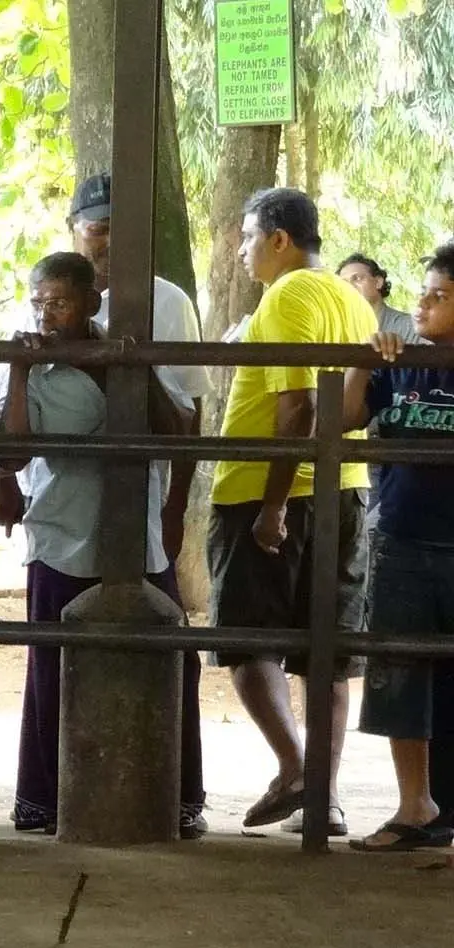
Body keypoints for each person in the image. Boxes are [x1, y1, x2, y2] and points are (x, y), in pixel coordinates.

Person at [0, 254, 206, 837]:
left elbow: (174, 431)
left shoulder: (123, 352)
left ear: (91, 304)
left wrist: (119, 366)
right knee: (52, 665)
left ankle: (178, 797)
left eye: (59, 303)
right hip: (62, 531)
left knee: (171, 660)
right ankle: (48, 798)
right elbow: (13, 454)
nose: (46, 315)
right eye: (38, 302)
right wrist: (19, 371)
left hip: (134, 537)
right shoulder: (33, 369)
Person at [211, 187, 374, 838]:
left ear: (280, 239)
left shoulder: (286, 296)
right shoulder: (350, 298)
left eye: (249, 236)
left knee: (247, 638)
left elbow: (296, 405)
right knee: (326, 648)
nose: (242, 249)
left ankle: (296, 768)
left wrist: (273, 505)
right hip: (347, 486)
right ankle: (323, 795)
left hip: (266, 488)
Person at [0, 172, 212, 569]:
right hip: (60, 518)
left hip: (139, 516)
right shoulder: (38, 303)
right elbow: (9, 410)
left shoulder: (168, 301)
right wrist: (2, 480)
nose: (111, 240)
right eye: (99, 228)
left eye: (124, 228)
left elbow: (187, 414)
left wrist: (175, 507)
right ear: (74, 228)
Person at [343, 247, 454, 851]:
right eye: (424, 293)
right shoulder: (401, 362)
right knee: (401, 673)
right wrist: (363, 360)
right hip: (404, 538)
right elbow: (341, 419)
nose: (423, 304)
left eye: (440, 296)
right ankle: (415, 805)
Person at [337, 253, 416, 340]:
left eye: (357, 278)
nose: (349, 286)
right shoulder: (337, 332)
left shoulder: (410, 327)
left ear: (378, 282)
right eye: (344, 283)